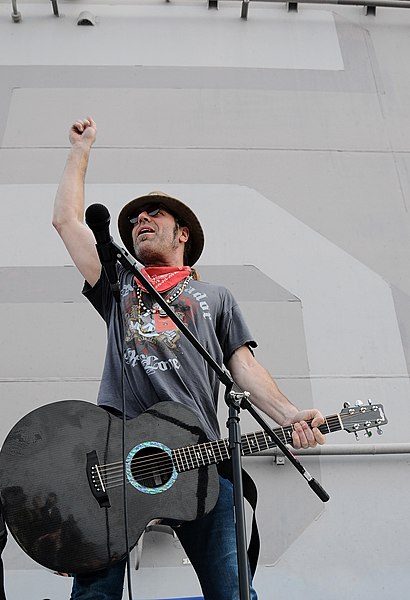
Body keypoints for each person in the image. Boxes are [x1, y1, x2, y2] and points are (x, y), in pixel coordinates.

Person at [52, 116, 326, 600]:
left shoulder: (215, 296)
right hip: (122, 455)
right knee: (95, 593)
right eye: (136, 217)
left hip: (198, 456)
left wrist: (289, 415)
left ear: (183, 235)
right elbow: (66, 223)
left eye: (153, 214)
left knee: (232, 591)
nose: (140, 220)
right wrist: (80, 150)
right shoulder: (121, 288)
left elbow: (242, 367)